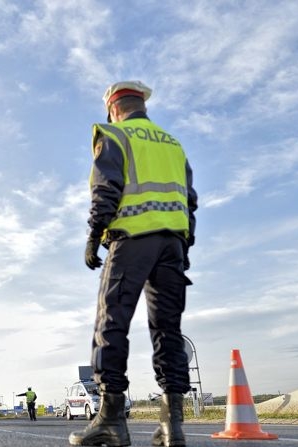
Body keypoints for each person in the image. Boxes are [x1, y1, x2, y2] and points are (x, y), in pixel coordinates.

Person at [70, 81, 198, 447]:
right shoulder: (172, 143)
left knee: (110, 322)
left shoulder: (113, 134)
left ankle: (111, 419)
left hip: (131, 240)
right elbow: (190, 199)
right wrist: (185, 242)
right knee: (167, 330)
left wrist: (95, 235)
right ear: (142, 105)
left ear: (113, 108)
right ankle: (173, 425)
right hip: (172, 244)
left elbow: (106, 188)